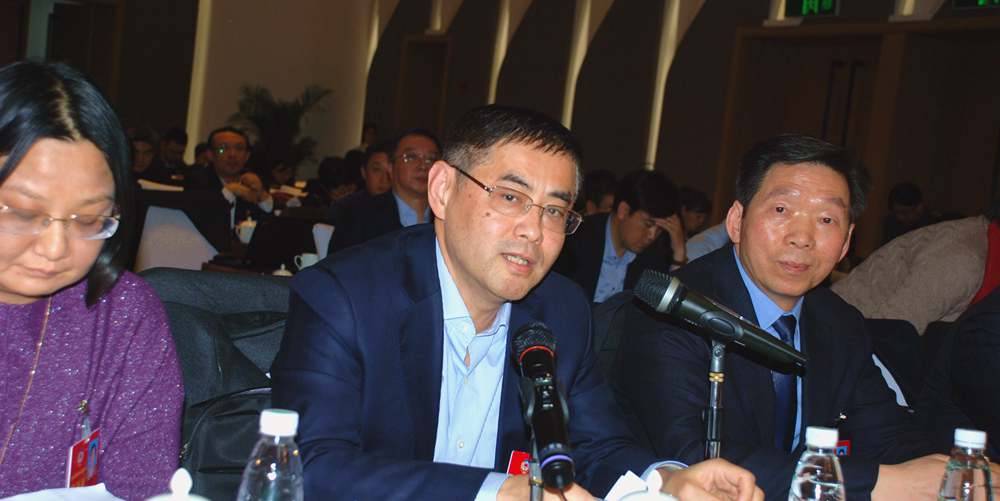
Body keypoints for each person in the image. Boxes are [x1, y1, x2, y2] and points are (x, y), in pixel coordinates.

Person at [272, 105, 763, 501]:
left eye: (555, 210)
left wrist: (667, 480)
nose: (534, 229)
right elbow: (310, 467)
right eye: (510, 197)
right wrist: (499, 492)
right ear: (442, 190)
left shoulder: (562, 310)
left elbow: (597, 447)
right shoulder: (345, 295)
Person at [612, 134, 957, 500]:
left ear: (845, 243)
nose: (802, 237)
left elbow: (887, 436)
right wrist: (875, 482)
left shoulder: (839, 322)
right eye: (781, 210)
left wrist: (954, 474)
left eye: (826, 219)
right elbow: (696, 458)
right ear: (736, 220)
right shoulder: (676, 309)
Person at [0, 61, 182, 500]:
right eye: (23, 213)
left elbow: (142, 487)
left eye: (88, 219)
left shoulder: (122, 315)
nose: (55, 248)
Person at [554, 169, 686, 303]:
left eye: (660, 229)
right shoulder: (577, 237)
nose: (652, 236)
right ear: (623, 210)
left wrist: (679, 252)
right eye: (648, 224)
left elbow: (666, 305)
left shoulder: (654, 253)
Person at [327, 128, 441, 253]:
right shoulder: (358, 215)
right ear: (391, 168)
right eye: (411, 157)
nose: (423, 166)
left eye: (431, 159)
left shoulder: (448, 218)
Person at [184, 126, 273, 227]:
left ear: (247, 156)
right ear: (210, 155)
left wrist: (262, 195)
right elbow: (204, 218)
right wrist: (228, 191)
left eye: (239, 149)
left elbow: (268, 225)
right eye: (222, 149)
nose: (232, 154)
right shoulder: (196, 180)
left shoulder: (253, 182)